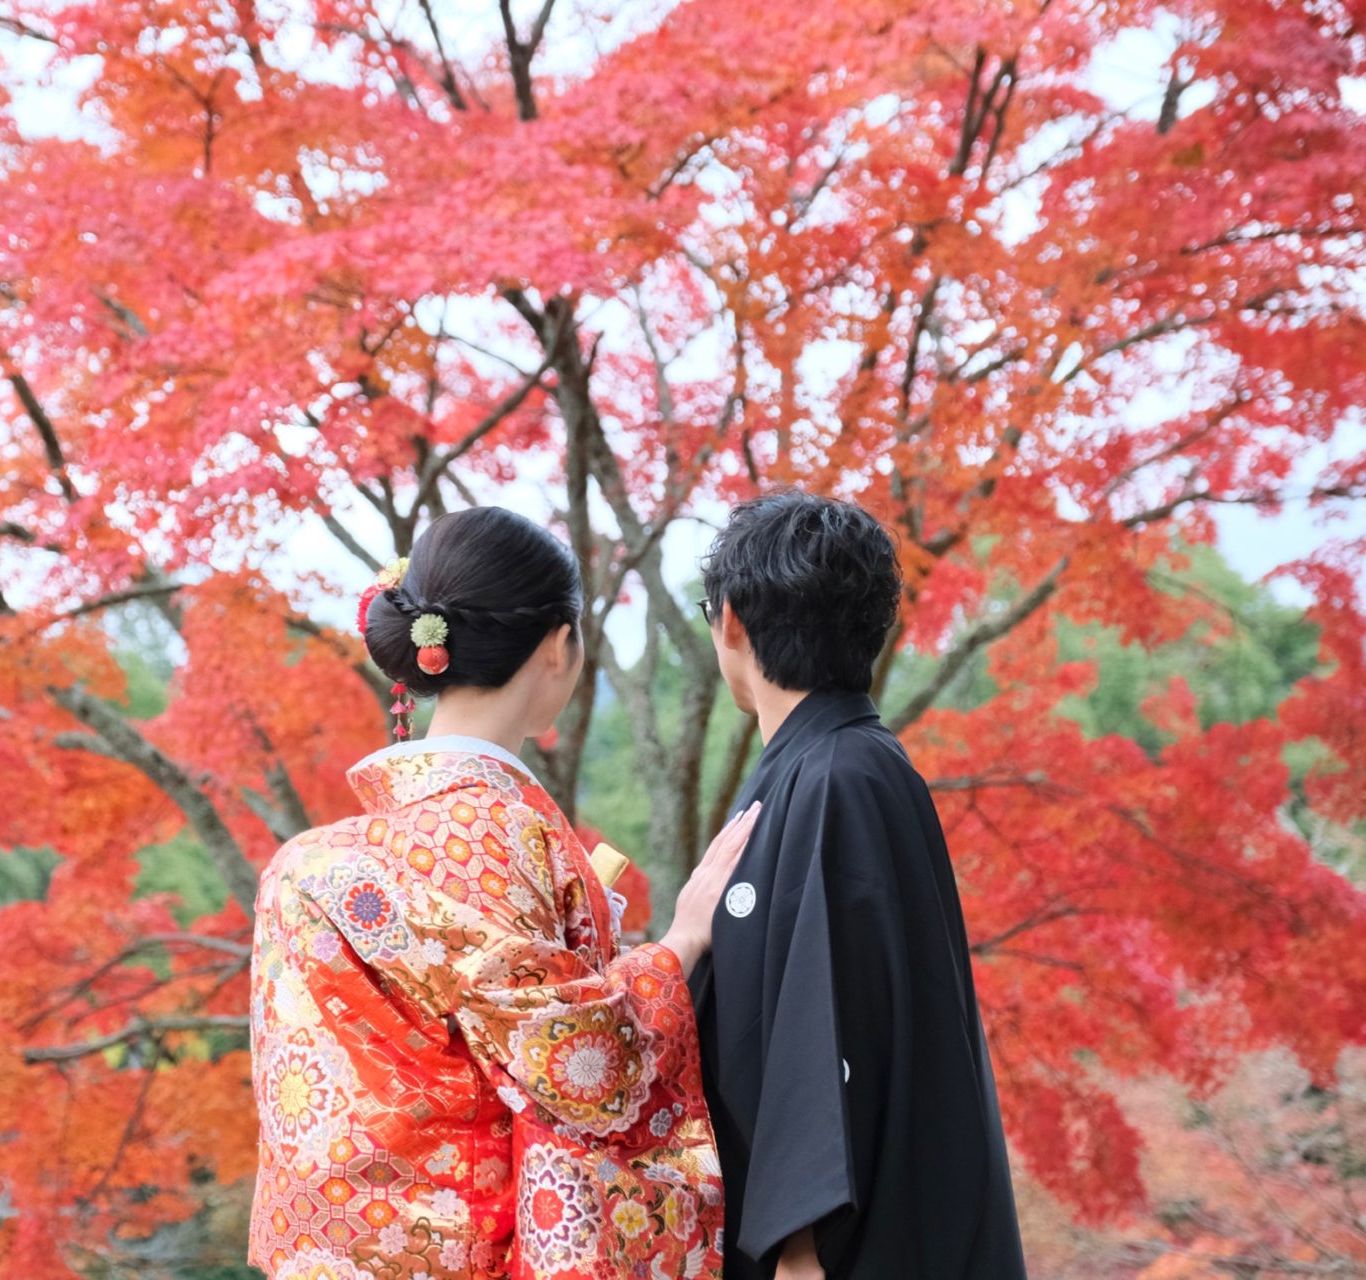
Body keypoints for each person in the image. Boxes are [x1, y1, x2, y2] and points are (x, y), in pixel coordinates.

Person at [248, 506, 758, 1280]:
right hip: (466, 1253)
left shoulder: (301, 865)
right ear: (559, 645)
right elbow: (584, 1065)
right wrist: (681, 941)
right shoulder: (498, 837)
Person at [688, 490, 1027, 1279]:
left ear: (730, 620)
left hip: (831, 1250)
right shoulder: (835, 766)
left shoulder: (841, 774)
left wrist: (800, 1245)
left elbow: (832, 1022)